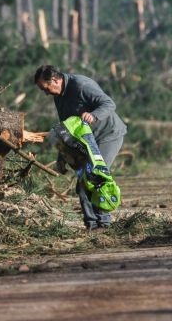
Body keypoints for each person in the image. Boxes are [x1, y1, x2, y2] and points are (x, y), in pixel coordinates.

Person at [34, 65, 127, 230]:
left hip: (108, 135)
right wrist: (62, 156)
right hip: (86, 141)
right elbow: (67, 130)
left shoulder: (81, 85)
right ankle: (92, 225)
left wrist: (94, 115)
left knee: (95, 177)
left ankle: (103, 224)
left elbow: (109, 104)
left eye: (46, 88)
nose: (46, 93)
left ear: (55, 80)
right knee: (83, 181)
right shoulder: (59, 96)